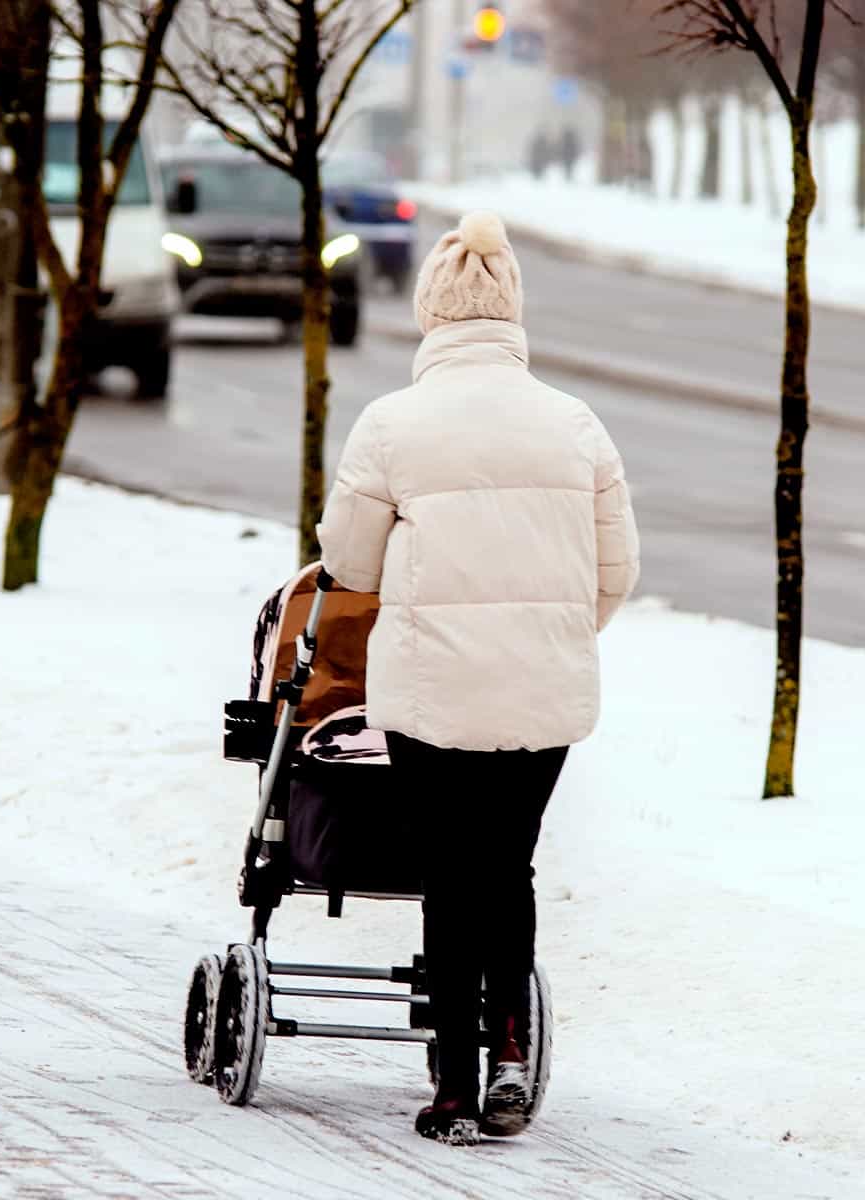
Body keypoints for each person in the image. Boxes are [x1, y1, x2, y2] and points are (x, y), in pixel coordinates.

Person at [317, 211, 641, 1146]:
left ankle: (452, 1084)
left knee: (450, 878)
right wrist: (555, 632)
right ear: (512, 314)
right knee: (508, 869)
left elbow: (349, 563)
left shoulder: (392, 425)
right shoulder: (575, 424)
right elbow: (615, 570)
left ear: (431, 315)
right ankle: (506, 1051)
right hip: (544, 694)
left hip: (431, 693)